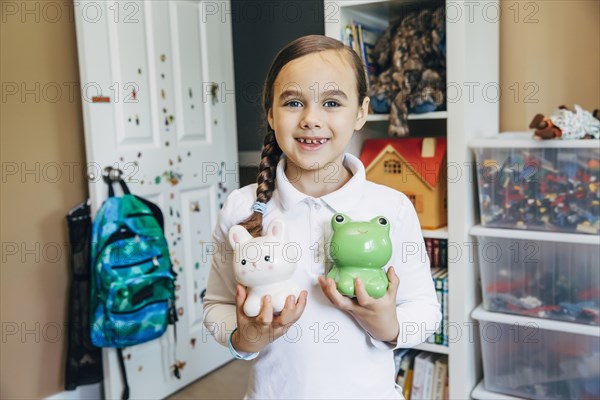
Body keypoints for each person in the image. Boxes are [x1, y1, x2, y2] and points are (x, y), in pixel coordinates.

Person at [203, 34, 441, 400]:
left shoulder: (391, 209)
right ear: (271, 113)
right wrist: (244, 337)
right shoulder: (240, 208)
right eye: (294, 102)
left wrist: (388, 325)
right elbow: (216, 304)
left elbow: (425, 309)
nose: (311, 119)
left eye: (331, 102)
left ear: (361, 112)